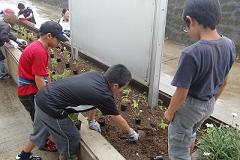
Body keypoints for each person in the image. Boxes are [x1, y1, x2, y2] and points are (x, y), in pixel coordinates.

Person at [16, 64, 139, 160]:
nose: (122, 91)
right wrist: (131, 133)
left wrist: (92, 120)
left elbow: (93, 102)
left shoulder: (95, 76)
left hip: (41, 97)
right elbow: (117, 119)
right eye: (123, 88)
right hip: (52, 108)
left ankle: (23, 156)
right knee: (72, 138)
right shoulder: (105, 95)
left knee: (41, 131)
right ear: (116, 86)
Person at [164, 0, 236, 159]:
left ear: (191, 21)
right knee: (191, 133)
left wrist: (169, 113)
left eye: (186, 27)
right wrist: (210, 101)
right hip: (209, 104)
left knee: (178, 150)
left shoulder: (191, 53)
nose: (187, 31)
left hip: (189, 108)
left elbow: (181, 93)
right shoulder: (229, 45)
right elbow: (224, 82)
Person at [17, 21, 68, 153]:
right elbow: (39, 78)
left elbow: (45, 73)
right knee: (41, 120)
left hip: (28, 90)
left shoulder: (38, 46)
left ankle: (42, 139)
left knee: (39, 118)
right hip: (28, 92)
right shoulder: (39, 51)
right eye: (58, 39)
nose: (59, 42)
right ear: (49, 36)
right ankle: (42, 143)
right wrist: (48, 99)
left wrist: (50, 88)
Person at [0, 9, 26, 80]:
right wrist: (11, 42)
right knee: (1, 59)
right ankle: (1, 75)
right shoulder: (6, 26)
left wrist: (17, 40)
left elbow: (8, 34)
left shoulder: (3, 22)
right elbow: (3, 37)